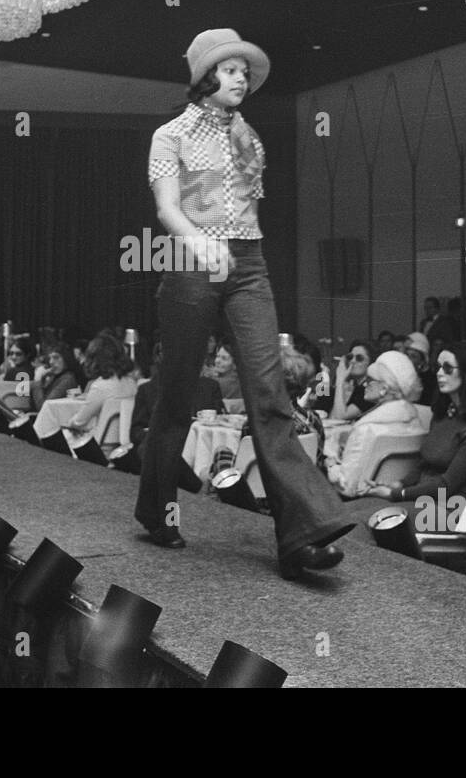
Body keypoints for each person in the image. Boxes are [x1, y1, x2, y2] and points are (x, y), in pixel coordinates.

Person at [137, 28, 357, 578]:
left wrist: (233, 250)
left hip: (249, 265)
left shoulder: (250, 137)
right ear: (206, 77)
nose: (242, 79)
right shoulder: (170, 135)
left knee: (269, 391)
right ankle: (157, 508)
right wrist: (200, 244)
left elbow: (249, 211)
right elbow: (167, 209)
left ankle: (301, 533)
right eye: (231, 70)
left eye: (244, 71)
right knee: (179, 393)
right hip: (191, 263)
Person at [359, 343, 466, 509]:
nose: (439, 373)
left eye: (447, 368)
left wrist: (395, 494)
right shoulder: (442, 416)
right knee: (350, 512)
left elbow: (446, 485)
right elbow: (423, 465)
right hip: (420, 500)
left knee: (362, 520)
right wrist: (398, 484)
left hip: (449, 510)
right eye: (438, 367)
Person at [328, 351, 427, 497]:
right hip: (396, 497)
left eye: (371, 379)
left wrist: (330, 463)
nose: (366, 384)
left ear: (384, 389)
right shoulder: (416, 421)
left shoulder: (367, 429)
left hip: (358, 503)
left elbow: (346, 487)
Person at [330, 340, 376, 421]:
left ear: (370, 362)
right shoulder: (355, 387)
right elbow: (333, 417)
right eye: (350, 357)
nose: (353, 361)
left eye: (359, 358)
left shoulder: (371, 388)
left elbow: (340, 418)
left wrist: (340, 380)